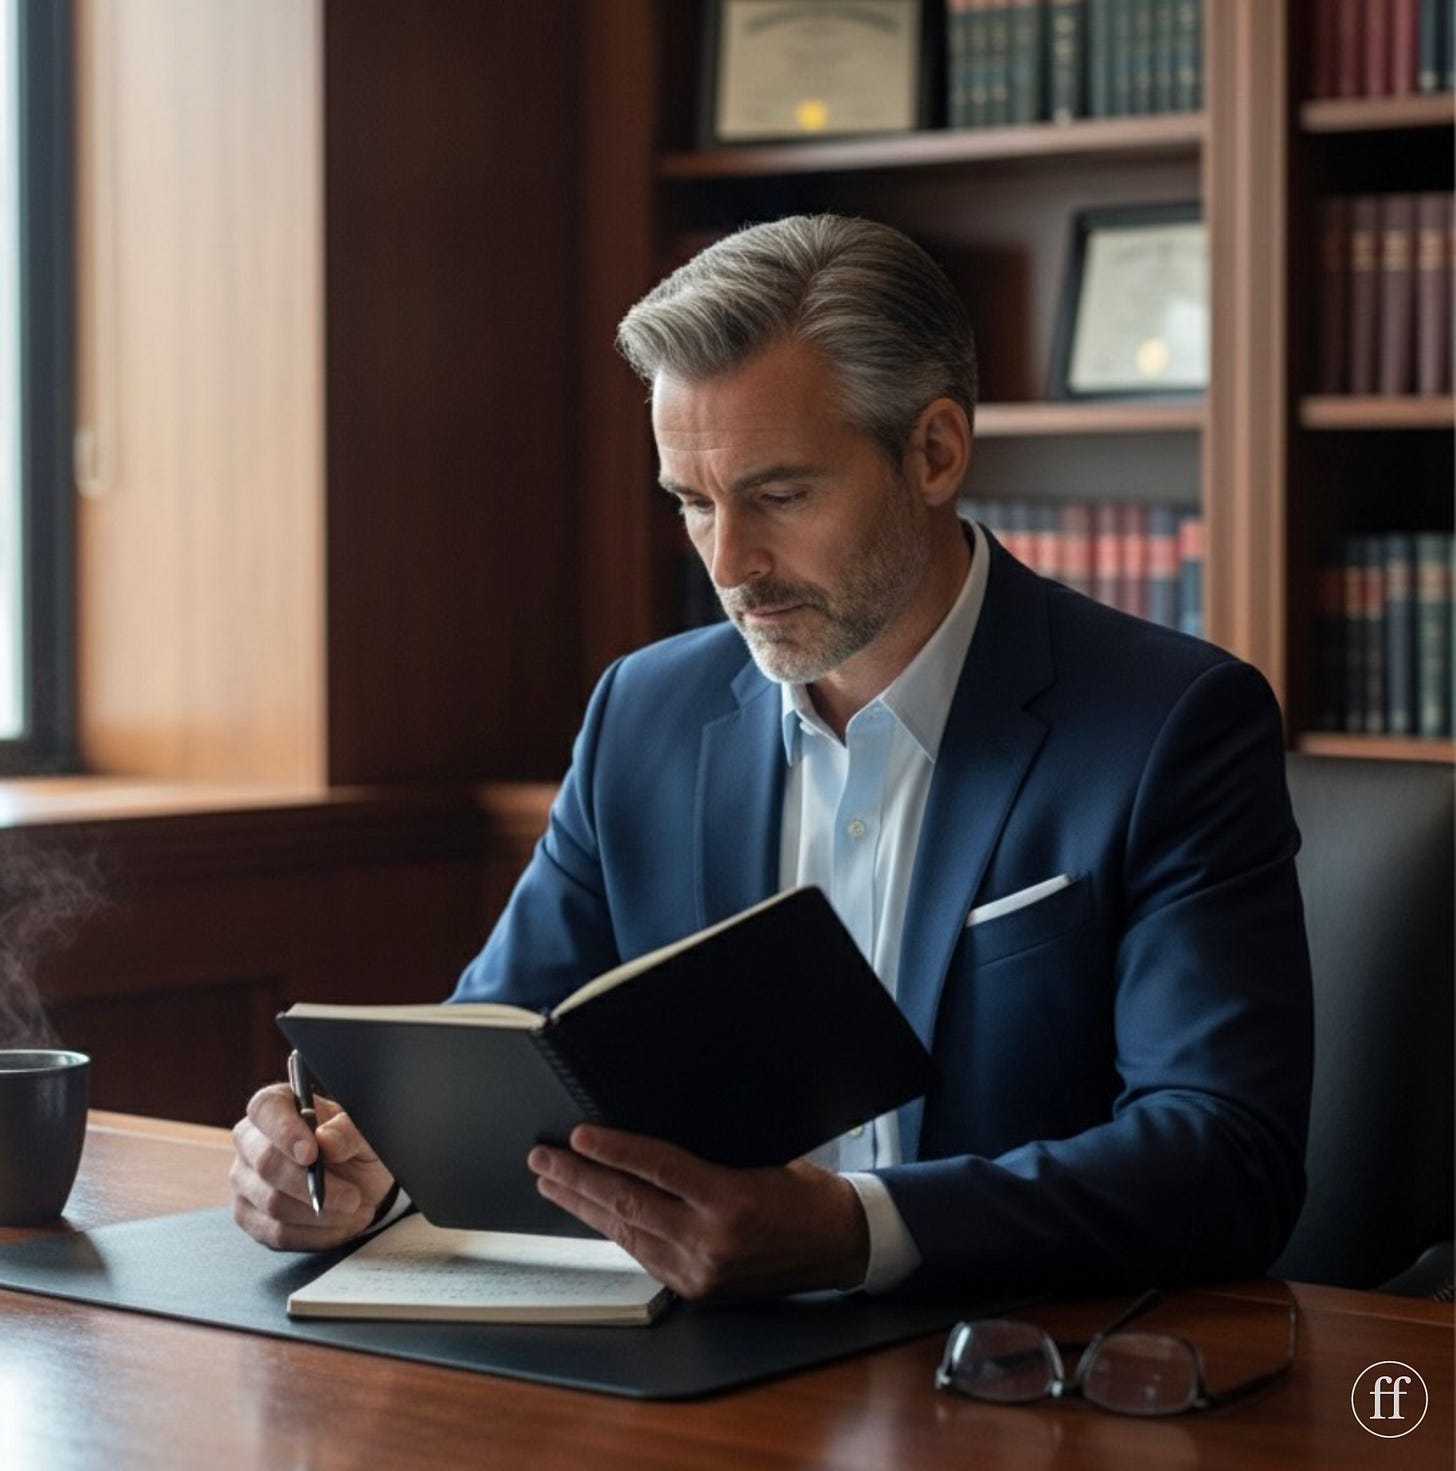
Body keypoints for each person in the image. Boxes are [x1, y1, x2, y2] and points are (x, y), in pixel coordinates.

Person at [231, 215, 1313, 1303]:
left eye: (780, 495)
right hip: (684, 1371)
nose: (730, 562)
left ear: (934, 451)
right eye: (693, 502)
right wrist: (372, 1154)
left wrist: (860, 1229)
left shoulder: (1172, 723)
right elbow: (492, 1048)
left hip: (1014, 1374)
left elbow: (1225, 1158)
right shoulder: (643, 712)